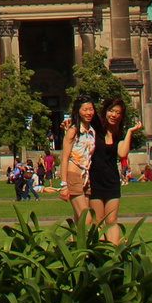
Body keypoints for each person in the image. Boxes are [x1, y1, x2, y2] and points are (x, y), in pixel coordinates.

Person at [90, 98, 143, 243]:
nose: (113, 115)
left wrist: (130, 132)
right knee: (98, 220)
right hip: (95, 180)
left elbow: (122, 153)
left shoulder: (118, 133)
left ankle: (114, 251)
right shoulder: (95, 129)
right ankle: (100, 252)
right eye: (111, 111)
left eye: (117, 112)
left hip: (111, 181)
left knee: (112, 220)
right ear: (105, 112)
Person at [60, 94, 99, 223]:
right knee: (86, 219)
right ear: (78, 111)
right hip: (73, 175)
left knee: (79, 220)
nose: (89, 113)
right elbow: (64, 159)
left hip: (86, 178)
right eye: (85, 110)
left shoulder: (92, 131)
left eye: (91, 109)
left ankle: (75, 243)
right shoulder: (74, 131)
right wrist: (64, 185)